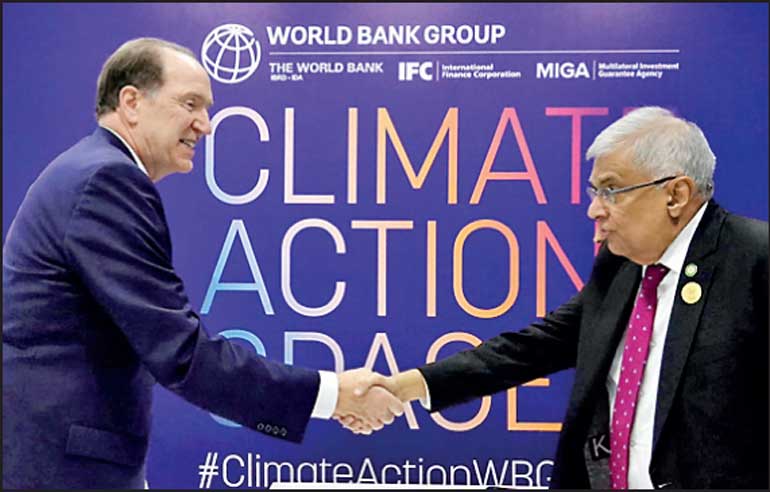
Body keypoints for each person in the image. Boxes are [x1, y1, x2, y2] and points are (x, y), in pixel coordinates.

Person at [2, 38, 402, 489]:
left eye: (207, 109)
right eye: (190, 103)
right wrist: (331, 395)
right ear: (131, 102)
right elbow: (181, 353)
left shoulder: (89, 170)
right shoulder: (107, 180)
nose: (206, 125)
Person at [345, 106, 769, 489]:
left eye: (612, 191)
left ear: (675, 195)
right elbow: (532, 348)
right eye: (595, 191)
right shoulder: (621, 264)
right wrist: (403, 386)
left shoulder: (755, 259)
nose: (594, 210)